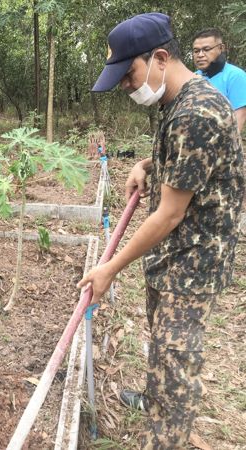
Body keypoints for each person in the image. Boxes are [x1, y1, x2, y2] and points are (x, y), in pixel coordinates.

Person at [79, 13, 243, 449]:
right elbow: (180, 158)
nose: (126, 86)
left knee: (176, 354)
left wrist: (110, 267)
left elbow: (169, 214)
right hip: (175, 254)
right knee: (162, 337)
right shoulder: (176, 102)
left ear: (160, 58)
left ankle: (166, 436)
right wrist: (146, 164)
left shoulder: (198, 112)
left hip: (194, 258)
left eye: (129, 74)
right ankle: (155, 401)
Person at [192, 28, 246, 132]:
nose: (200, 55)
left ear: (221, 48)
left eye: (206, 49)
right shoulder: (192, 77)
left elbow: (238, 118)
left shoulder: (236, 76)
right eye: (196, 51)